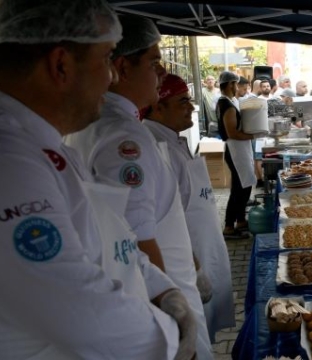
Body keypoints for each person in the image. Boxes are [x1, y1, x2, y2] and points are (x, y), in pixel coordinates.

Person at [0, 1, 197, 358]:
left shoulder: (46, 149)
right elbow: (72, 305)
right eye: (107, 59)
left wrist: (161, 289)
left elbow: (113, 237)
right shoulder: (11, 164)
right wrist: (170, 339)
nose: (112, 78)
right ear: (61, 65)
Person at [64, 14, 213, 359]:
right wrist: (168, 317)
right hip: (161, 293)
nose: (161, 73)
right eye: (153, 62)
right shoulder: (124, 136)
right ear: (122, 67)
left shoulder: (100, 124)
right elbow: (137, 239)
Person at [144, 74, 236, 342]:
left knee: (206, 329)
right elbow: (165, 220)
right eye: (182, 100)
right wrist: (195, 268)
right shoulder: (156, 147)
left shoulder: (173, 139)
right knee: (195, 335)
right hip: (187, 259)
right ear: (158, 107)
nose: (192, 107)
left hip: (204, 247)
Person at [216, 71, 257, 239]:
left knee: (245, 185)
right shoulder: (226, 104)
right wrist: (253, 135)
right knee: (239, 189)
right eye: (235, 84)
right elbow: (232, 132)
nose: (237, 87)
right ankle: (228, 226)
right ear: (230, 84)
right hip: (235, 150)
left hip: (239, 149)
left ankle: (240, 220)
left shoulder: (229, 102)